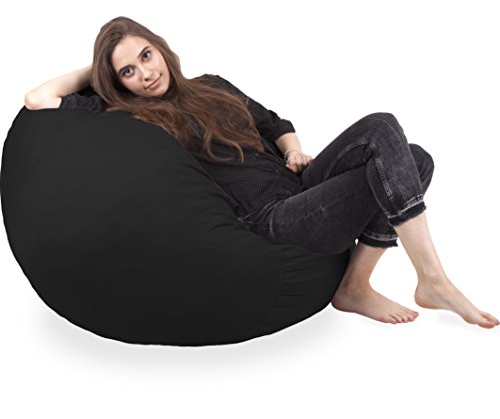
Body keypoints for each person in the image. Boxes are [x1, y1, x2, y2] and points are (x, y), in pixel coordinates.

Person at [24, 16, 499, 329]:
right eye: (127, 72)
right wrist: (100, 70)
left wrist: (293, 151)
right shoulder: (135, 116)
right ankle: (432, 278)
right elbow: (38, 99)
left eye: (145, 55)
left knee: (408, 151)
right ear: (117, 84)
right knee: (400, 160)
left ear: (161, 49)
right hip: (269, 218)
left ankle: (355, 285)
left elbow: (274, 123)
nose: (145, 73)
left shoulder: (211, 85)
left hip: (299, 184)